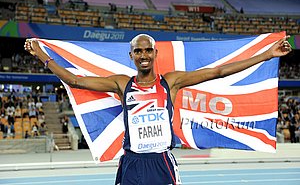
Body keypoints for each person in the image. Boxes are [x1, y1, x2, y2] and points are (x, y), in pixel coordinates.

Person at [24, 33, 292, 185]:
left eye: (147, 51)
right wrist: (43, 57)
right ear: (131, 56)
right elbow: (75, 80)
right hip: (131, 163)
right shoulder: (121, 84)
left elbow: (218, 71)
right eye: (138, 51)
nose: (143, 55)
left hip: (161, 162)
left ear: (154, 54)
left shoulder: (170, 82)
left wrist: (267, 55)